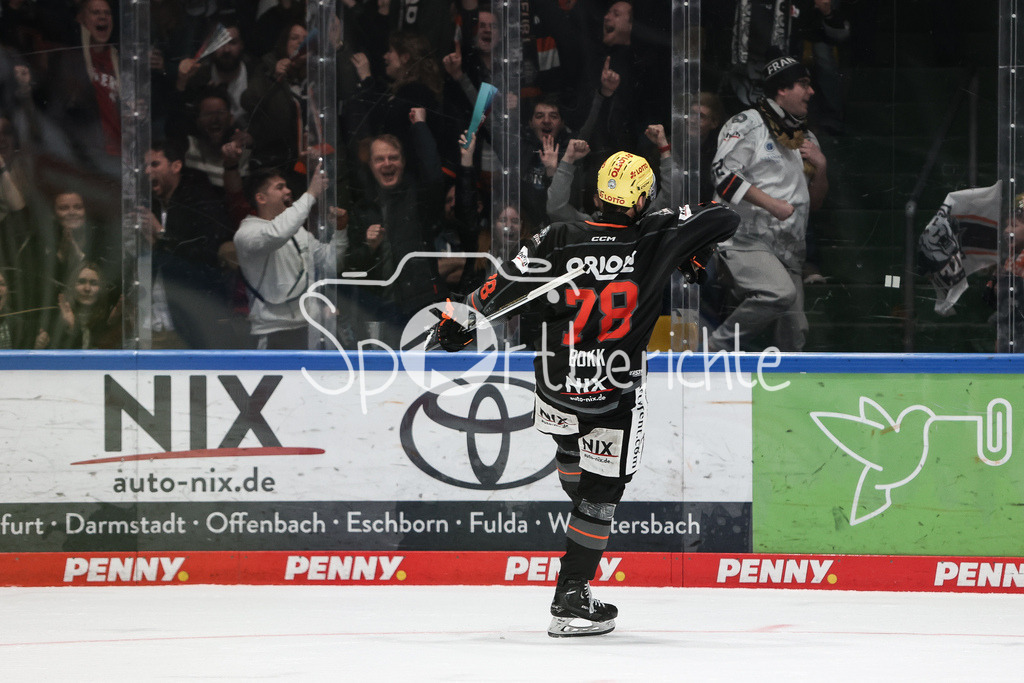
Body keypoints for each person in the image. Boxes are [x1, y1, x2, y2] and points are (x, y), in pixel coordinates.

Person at [428, 150, 739, 637]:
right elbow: (726, 216)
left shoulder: (557, 237)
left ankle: (573, 460)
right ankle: (571, 595)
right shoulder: (656, 235)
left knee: (572, 450)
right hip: (612, 393)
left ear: (596, 195)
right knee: (600, 494)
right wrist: (689, 245)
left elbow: (501, 285)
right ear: (642, 200)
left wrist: (463, 317)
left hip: (555, 385)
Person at [708, 55, 829, 352]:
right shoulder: (748, 123)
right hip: (744, 240)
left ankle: (787, 396)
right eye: (804, 84)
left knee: (795, 333)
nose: (811, 92)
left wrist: (822, 168)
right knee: (778, 293)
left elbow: (815, 204)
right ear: (782, 90)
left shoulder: (806, 138)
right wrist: (773, 204)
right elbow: (721, 174)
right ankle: (709, 353)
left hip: (789, 251)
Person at [234, 163, 347, 350]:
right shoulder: (247, 233)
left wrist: (340, 230)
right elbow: (276, 234)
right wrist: (311, 193)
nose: (287, 191)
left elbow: (330, 263)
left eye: (286, 186)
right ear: (261, 198)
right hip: (272, 333)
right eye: (279, 187)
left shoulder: (298, 233)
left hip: (310, 328)